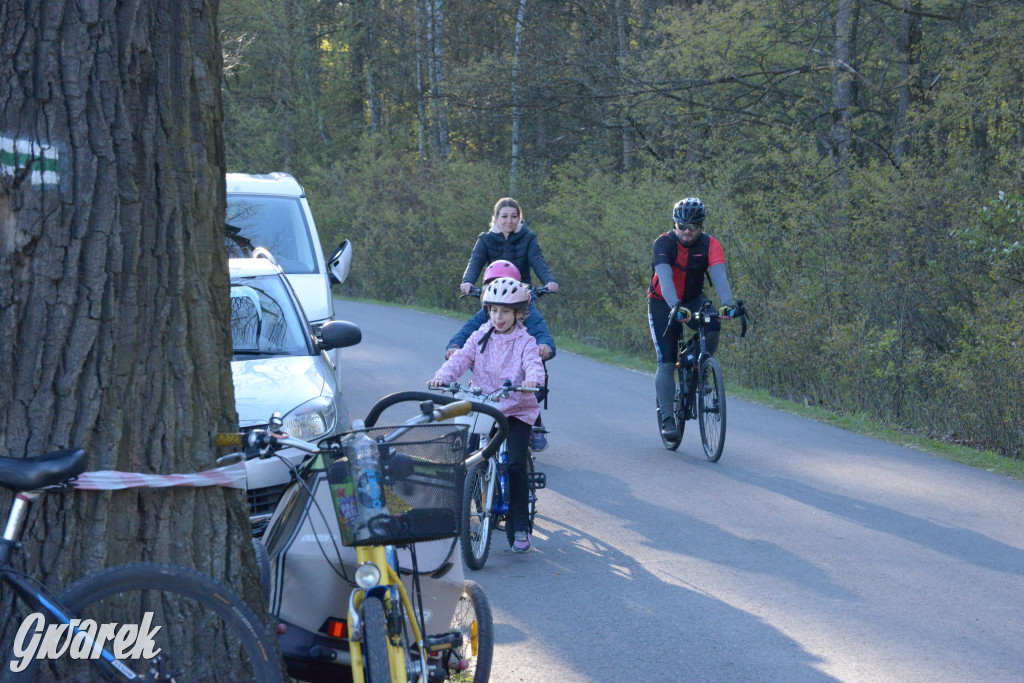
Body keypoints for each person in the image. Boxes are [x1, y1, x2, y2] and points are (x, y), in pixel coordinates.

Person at [429, 277, 544, 553]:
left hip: (517, 409)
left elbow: (533, 364)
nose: (498, 317)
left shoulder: (525, 341)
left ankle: (519, 525)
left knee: (515, 463)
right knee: (467, 456)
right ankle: (467, 508)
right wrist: (440, 378)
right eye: (493, 310)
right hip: (485, 405)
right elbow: (460, 359)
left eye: (505, 311)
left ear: (518, 313)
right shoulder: (481, 333)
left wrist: (532, 380)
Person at [648, 197, 741, 441]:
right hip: (662, 301)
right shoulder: (663, 243)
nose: (686, 232)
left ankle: (701, 365)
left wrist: (729, 305)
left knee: (712, 323)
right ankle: (668, 417)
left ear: (701, 226)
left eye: (692, 227)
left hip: (693, 298)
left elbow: (720, 277)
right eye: (681, 226)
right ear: (675, 224)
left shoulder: (711, 245)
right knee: (667, 361)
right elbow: (665, 280)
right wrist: (673, 308)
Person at [459, 197, 559, 295]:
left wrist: (549, 281)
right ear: (496, 218)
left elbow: (538, 262)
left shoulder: (529, 238)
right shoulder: (485, 239)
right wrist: (468, 281)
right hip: (492, 295)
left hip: (521, 295)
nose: (509, 221)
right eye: (504, 216)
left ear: (519, 218)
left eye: (514, 216)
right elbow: (475, 262)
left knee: (534, 313)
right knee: (481, 313)